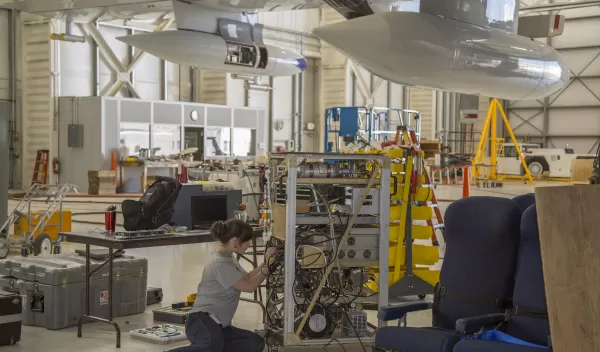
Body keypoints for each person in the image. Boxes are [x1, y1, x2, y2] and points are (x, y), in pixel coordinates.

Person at [170, 219, 275, 352]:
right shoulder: (219, 263)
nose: (249, 244)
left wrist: (265, 263)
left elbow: (247, 277)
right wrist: (267, 270)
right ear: (235, 241)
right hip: (201, 320)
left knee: (255, 343)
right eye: (247, 240)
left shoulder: (228, 257)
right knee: (212, 346)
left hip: (220, 325)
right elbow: (249, 287)